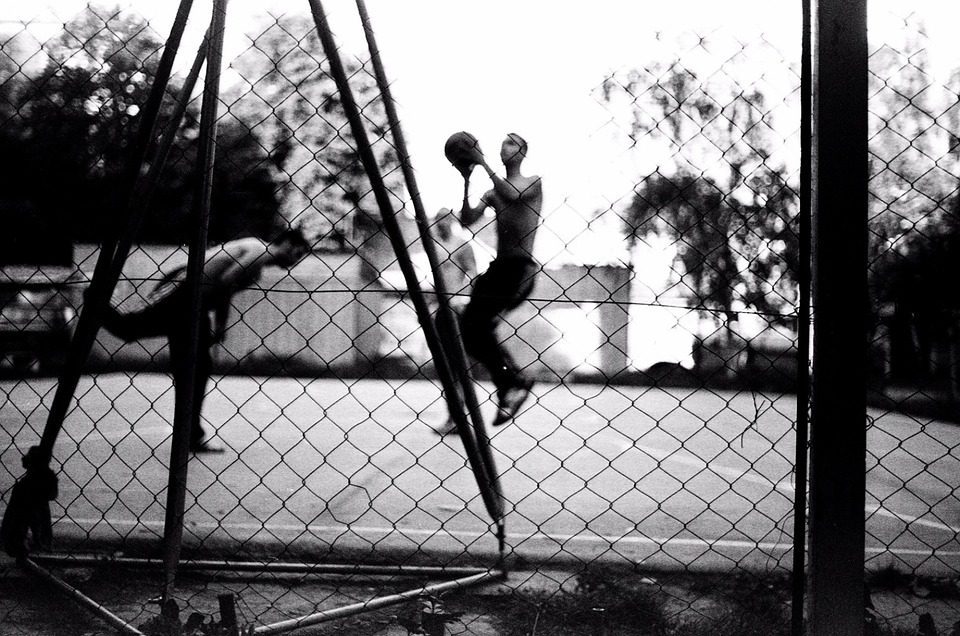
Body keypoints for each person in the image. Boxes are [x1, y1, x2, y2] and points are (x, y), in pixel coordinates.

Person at [97, 229, 311, 452]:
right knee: (130, 328)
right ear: (287, 243)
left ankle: (191, 435)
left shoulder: (257, 266)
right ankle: (95, 295)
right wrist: (220, 323)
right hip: (184, 288)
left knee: (197, 368)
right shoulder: (259, 250)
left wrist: (212, 322)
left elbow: (220, 286)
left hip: (195, 306)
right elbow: (226, 281)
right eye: (297, 253)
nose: (295, 261)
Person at [457, 133, 542, 427]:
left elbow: (514, 195)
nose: (505, 147)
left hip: (520, 269)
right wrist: (466, 180)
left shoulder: (533, 182)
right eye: (503, 143)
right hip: (499, 267)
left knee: (477, 326)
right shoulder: (493, 192)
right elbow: (466, 220)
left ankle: (513, 382)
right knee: (470, 329)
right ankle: (510, 384)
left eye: (512, 143)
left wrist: (481, 162)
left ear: (523, 152)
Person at [430, 208, 479, 435]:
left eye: (444, 219)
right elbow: (436, 279)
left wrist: (461, 298)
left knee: (459, 365)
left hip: (457, 307)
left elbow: (473, 273)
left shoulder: (461, 245)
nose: (439, 224)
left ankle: (460, 417)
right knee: (446, 366)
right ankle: (454, 417)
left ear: (451, 221)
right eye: (437, 220)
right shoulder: (435, 246)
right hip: (441, 308)